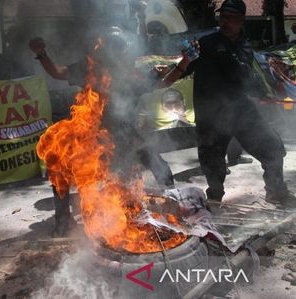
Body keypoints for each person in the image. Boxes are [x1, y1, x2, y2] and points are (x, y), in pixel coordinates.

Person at [30, 24, 180, 235]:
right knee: (59, 165)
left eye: (118, 47)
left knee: (157, 166)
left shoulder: (131, 74)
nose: (114, 52)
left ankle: (176, 206)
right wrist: (42, 54)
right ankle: (63, 224)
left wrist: (184, 64)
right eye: (110, 47)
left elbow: (162, 83)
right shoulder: (88, 67)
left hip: (126, 135)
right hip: (92, 136)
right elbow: (57, 72)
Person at [170, 0, 295, 208]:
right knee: (213, 164)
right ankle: (214, 199)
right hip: (211, 115)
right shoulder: (205, 45)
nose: (225, 22)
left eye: (231, 18)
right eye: (223, 17)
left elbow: (245, 77)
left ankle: (276, 192)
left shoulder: (245, 45)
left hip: (240, 110)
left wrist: (261, 93)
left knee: (272, 148)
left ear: (241, 20)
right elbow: (182, 69)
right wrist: (165, 76)